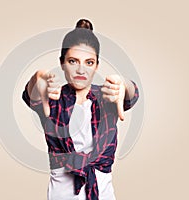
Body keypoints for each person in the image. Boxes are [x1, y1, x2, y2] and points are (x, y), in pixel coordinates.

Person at [22, 19, 139, 200]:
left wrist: (124, 84)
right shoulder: (52, 97)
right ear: (62, 63)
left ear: (97, 65)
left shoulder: (107, 96)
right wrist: (36, 80)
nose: (81, 69)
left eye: (89, 62)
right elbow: (31, 95)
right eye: (73, 61)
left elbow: (131, 94)